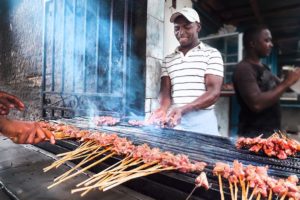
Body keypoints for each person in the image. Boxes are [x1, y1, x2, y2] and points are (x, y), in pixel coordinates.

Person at [149, 7, 224, 135]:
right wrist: (162, 108)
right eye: (177, 28)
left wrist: (183, 109)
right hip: (176, 123)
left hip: (203, 124)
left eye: (187, 26)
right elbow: (165, 93)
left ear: (198, 27)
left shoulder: (212, 54)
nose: (181, 32)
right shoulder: (168, 59)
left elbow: (214, 93)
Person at [233, 26, 300, 138]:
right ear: (253, 44)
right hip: (253, 136)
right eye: (267, 40)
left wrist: (294, 78)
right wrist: (287, 82)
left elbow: (282, 86)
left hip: (270, 133)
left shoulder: (264, 67)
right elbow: (257, 104)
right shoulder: (244, 69)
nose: (271, 44)